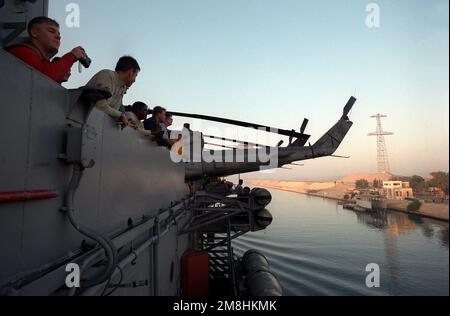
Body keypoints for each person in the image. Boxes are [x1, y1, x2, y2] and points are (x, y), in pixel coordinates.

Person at [7, 16, 86, 84]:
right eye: (51, 31)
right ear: (34, 33)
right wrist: (72, 56)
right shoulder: (21, 51)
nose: (58, 37)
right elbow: (43, 79)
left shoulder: (42, 61)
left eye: (59, 34)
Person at [86, 56, 140, 128]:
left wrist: (125, 122)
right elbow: (100, 106)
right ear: (130, 72)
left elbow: (112, 112)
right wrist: (121, 115)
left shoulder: (122, 88)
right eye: (135, 75)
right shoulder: (107, 75)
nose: (134, 80)